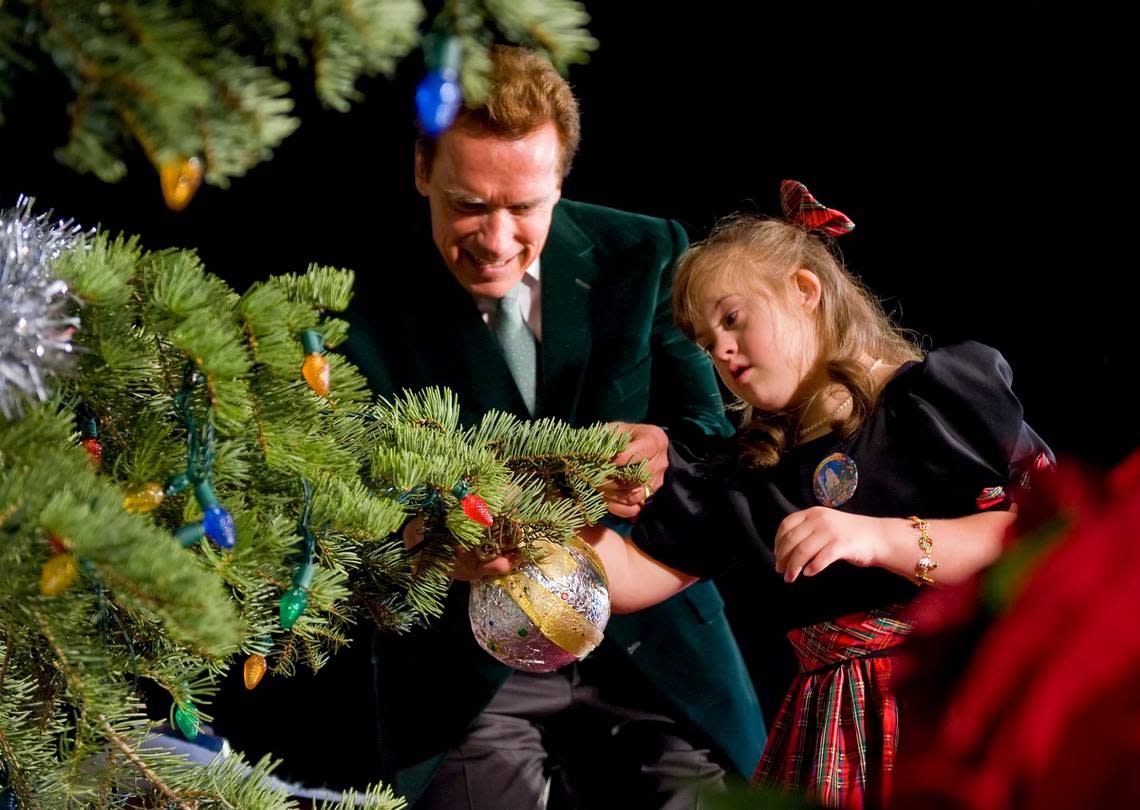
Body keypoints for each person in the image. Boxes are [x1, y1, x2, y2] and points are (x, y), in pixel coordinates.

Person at [342, 46, 765, 808]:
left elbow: (712, 437)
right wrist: (429, 539)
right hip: (466, 673)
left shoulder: (649, 251)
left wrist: (668, 447)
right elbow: (348, 501)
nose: (496, 241)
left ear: (561, 182)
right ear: (420, 170)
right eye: (469, 205)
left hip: (656, 651)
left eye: (525, 208)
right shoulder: (356, 302)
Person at [585, 180, 1053, 809]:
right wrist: (529, 512)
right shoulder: (751, 473)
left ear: (805, 292)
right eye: (705, 342)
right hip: (834, 733)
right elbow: (625, 579)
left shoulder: (932, 405)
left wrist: (876, 536)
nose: (720, 350)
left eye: (733, 318)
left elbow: (1044, 538)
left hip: (951, 701)